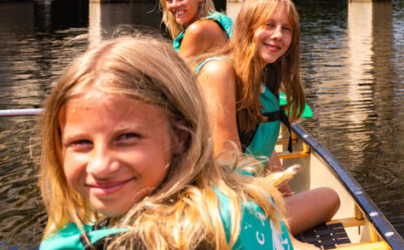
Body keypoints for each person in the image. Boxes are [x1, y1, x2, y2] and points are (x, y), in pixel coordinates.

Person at [38, 35, 303, 249]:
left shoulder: (189, 235)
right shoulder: (241, 199)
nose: (99, 166)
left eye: (126, 138)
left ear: (180, 137)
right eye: (80, 143)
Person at [196, 0, 340, 236]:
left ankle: (272, 229)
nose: (277, 35)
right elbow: (227, 164)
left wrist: (285, 194)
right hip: (216, 207)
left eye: (286, 29)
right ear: (247, 27)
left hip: (244, 199)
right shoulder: (218, 71)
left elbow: (262, 144)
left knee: (329, 198)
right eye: (269, 25)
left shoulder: (264, 77)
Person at [159, 0, 233, 59]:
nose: (175, 4)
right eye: (169, 0)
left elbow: (177, 73)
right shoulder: (220, 20)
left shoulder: (197, 29)